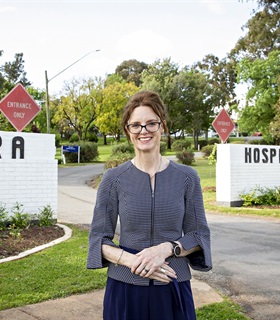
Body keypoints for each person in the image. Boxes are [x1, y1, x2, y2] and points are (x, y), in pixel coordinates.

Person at [86, 90, 212, 320]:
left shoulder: (187, 177)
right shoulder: (113, 179)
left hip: (172, 285)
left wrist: (165, 249)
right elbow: (98, 240)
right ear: (127, 131)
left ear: (162, 126)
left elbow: (199, 235)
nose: (143, 131)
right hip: (125, 288)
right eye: (136, 125)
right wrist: (135, 261)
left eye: (151, 124)